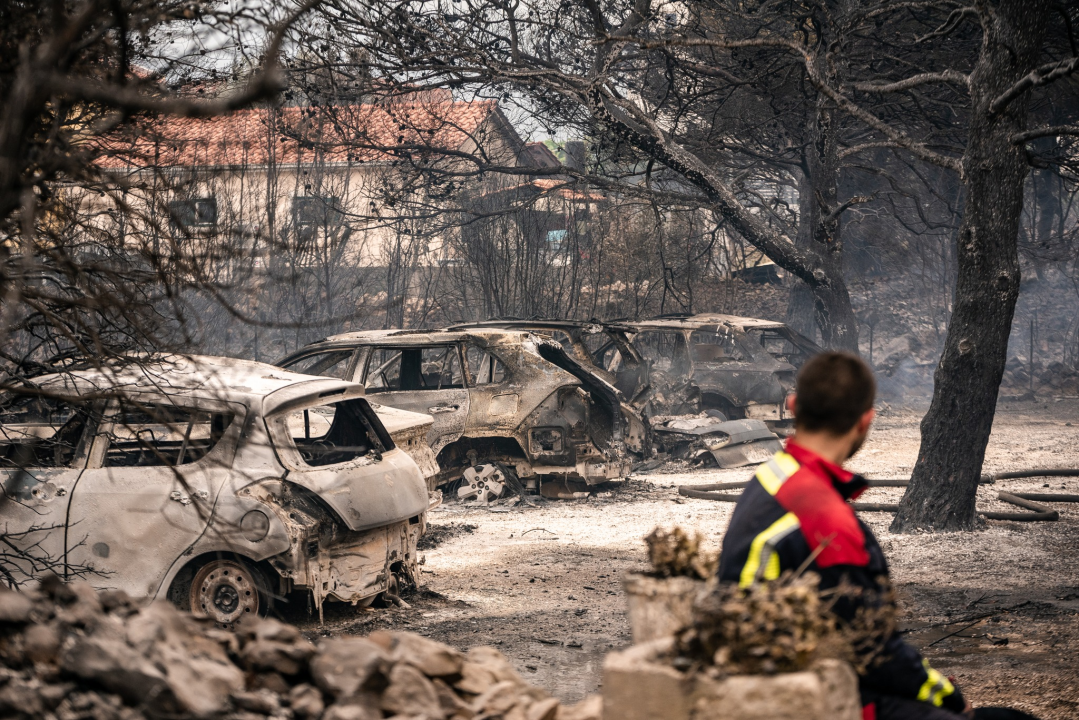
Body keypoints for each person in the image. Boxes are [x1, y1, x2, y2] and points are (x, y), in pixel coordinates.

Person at [716, 352, 1038, 720]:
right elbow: (876, 650)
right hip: (807, 700)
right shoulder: (826, 520)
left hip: (757, 679)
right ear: (865, 420)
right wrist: (949, 697)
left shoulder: (769, 480)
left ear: (793, 406)